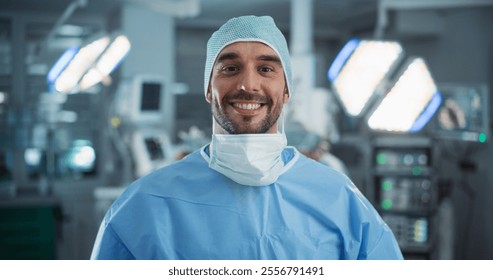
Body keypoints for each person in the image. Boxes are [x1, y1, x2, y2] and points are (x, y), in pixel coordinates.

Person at [91, 15, 403, 260]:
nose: (248, 84)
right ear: (207, 87)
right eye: (230, 68)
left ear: (286, 89)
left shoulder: (340, 200)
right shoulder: (143, 205)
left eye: (266, 68)